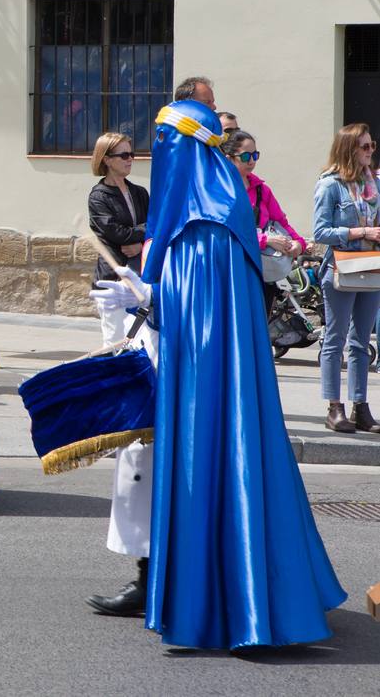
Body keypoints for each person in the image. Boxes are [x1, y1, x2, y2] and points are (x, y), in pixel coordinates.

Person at [91, 100, 345, 650]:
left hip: (205, 384)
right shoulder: (215, 207)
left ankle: (228, 606)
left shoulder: (203, 221)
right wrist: (152, 295)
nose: (156, 156)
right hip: (208, 374)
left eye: (163, 144)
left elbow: (201, 320)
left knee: (208, 470)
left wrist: (156, 298)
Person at [312, 123, 380, 434]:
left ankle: (360, 406)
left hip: (371, 266)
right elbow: (321, 231)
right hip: (340, 268)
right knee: (335, 339)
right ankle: (334, 407)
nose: (370, 152)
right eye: (364, 147)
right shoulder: (330, 185)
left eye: (371, 146)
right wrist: (361, 231)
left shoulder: (373, 185)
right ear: (349, 150)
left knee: (361, 341)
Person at [223, 130, 306, 306]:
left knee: (262, 325)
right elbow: (227, 232)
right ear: (229, 158)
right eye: (246, 156)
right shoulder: (221, 191)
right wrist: (265, 240)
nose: (252, 161)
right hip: (233, 271)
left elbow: (281, 222)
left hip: (263, 272)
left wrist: (298, 243)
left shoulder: (262, 189)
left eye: (255, 155)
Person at [87, 132, 149, 346]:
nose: (130, 159)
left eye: (131, 154)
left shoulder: (139, 192)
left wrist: (140, 243)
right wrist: (143, 231)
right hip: (112, 280)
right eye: (123, 155)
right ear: (106, 159)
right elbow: (117, 234)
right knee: (114, 343)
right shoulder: (98, 197)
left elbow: (156, 226)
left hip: (139, 277)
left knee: (140, 341)